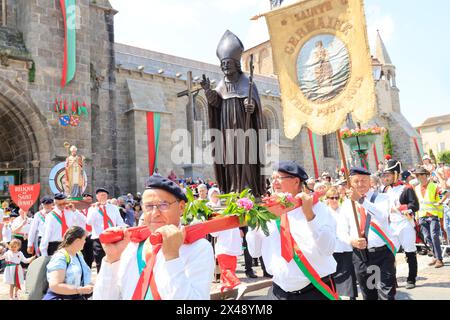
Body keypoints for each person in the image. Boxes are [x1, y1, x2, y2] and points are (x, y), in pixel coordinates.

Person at [93, 175, 215, 300]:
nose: (155, 213)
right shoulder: (131, 247)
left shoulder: (198, 248)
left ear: (181, 207)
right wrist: (112, 260)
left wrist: (172, 258)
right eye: (149, 206)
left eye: (163, 205)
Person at [247, 161, 337, 300]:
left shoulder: (318, 208)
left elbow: (328, 248)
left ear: (296, 181)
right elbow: (254, 252)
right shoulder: (266, 213)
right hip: (279, 292)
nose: (274, 182)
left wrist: (309, 216)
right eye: (272, 178)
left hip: (314, 289)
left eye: (279, 178)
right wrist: (252, 224)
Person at [200, 30, 265, 197]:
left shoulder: (247, 82)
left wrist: (252, 106)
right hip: (226, 128)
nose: (225, 67)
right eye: (223, 65)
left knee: (246, 156)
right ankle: (232, 188)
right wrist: (208, 91)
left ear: (236, 64)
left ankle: (248, 187)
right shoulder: (221, 84)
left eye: (228, 63)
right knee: (230, 157)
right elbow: (216, 103)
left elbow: (256, 105)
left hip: (245, 127)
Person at [343, 167, 398, 300]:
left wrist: (361, 201)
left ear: (370, 182)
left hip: (382, 255)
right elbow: (341, 230)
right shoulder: (346, 204)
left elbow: (382, 215)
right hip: (361, 256)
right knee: (369, 295)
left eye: (363, 180)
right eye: (356, 181)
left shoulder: (382, 198)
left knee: (386, 294)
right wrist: (352, 241)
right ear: (350, 183)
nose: (360, 184)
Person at [381, 160, 420, 289]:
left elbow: (414, 205)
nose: (385, 177)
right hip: (392, 225)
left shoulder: (406, 188)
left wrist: (398, 208)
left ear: (396, 174)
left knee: (409, 252)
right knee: (390, 254)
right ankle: (393, 280)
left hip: (405, 223)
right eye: (385, 175)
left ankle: (411, 279)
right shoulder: (385, 190)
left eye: (388, 174)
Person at [43, 226, 93, 300]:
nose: (85, 242)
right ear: (77, 241)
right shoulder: (60, 257)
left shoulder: (78, 254)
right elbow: (55, 285)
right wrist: (79, 290)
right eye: (84, 239)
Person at [326, 187, 357, 300]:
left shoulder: (344, 210)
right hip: (332, 249)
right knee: (334, 276)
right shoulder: (324, 211)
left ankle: (351, 297)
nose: (334, 200)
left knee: (349, 274)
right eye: (332, 198)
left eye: (336, 198)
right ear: (327, 199)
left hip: (346, 246)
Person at [87, 188, 126, 273]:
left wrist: (124, 230)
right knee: (100, 262)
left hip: (113, 237)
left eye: (104, 195)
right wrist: (96, 209)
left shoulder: (114, 208)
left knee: (116, 261)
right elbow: (89, 222)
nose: (103, 197)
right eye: (101, 195)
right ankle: (101, 282)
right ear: (97, 197)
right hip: (98, 238)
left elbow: (120, 222)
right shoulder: (92, 209)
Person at [414, 166, 447, 268]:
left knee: (434, 236)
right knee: (427, 238)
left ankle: (439, 259)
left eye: (422, 175)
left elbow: (446, 192)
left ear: (426, 175)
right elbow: (416, 203)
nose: (420, 177)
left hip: (433, 216)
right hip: (422, 216)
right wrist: (416, 217)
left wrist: (440, 202)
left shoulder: (434, 186)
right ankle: (435, 256)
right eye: (418, 175)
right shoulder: (416, 188)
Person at [80, 193, 94, 269]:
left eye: (90, 200)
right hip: (81, 235)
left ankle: (88, 270)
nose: (88, 201)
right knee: (82, 255)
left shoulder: (93, 209)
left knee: (90, 256)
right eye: (86, 200)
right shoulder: (78, 209)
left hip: (90, 235)